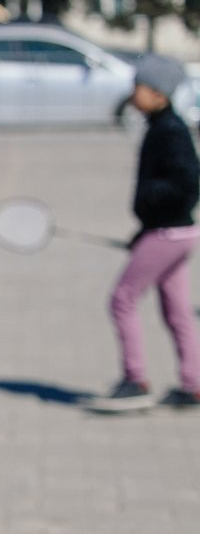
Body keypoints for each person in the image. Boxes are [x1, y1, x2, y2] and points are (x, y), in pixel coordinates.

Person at [90, 53, 200, 412]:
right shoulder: (162, 125)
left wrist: (152, 212)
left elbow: (187, 184)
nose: (133, 92)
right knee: (178, 312)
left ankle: (135, 380)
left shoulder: (169, 130)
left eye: (139, 86)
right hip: (174, 233)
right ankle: (193, 385)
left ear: (159, 93)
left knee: (121, 300)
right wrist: (145, 229)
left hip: (169, 233)